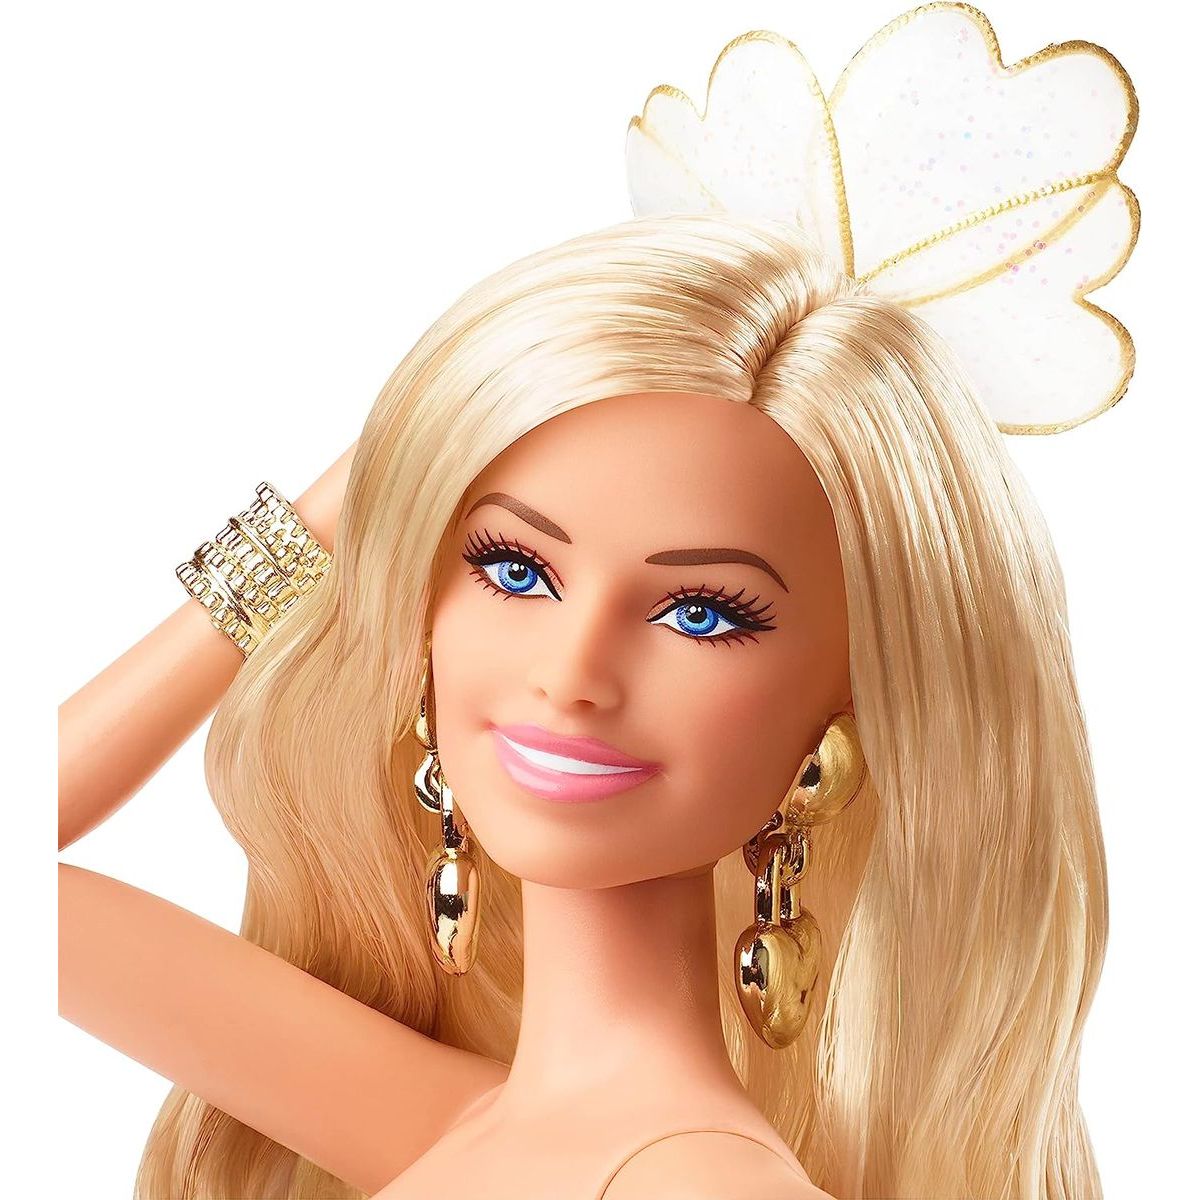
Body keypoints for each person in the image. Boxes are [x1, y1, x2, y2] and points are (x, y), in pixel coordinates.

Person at [59, 8, 1139, 1198]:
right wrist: (348, 506)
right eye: (515, 570)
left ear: (845, 705)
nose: (573, 672)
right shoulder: (447, 1123)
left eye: (702, 614)